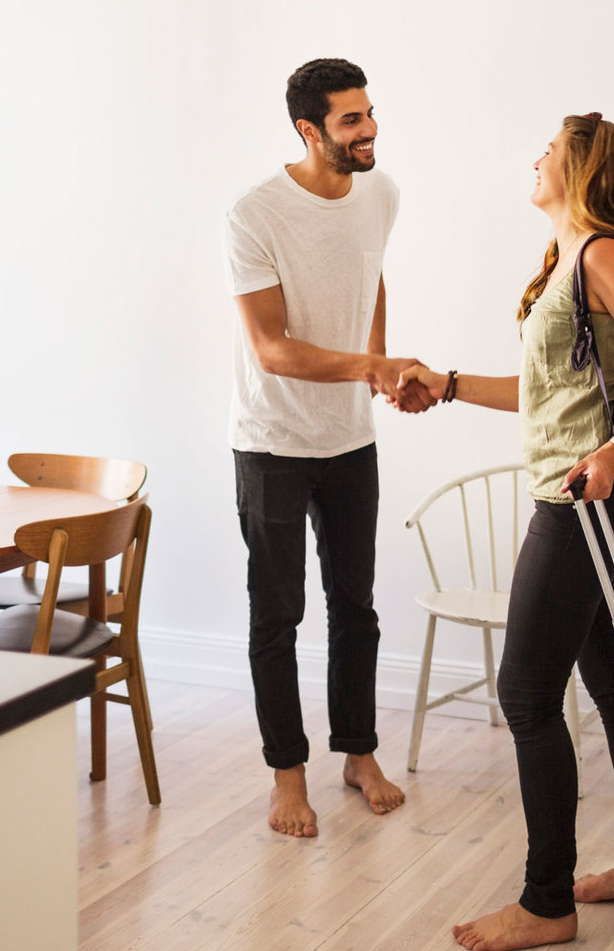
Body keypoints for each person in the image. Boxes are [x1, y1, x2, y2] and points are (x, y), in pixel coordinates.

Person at [396, 113, 614, 951]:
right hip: (582, 496)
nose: (535, 158)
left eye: (550, 149)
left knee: (527, 694)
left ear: (584, 168)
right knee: (609, 683)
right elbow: (547, 394)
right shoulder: (570, 260)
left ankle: (546, 903)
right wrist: (448, 384)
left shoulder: (606, 255)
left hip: (586, 501)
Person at [226, 57, 427, 839]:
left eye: (369, 112)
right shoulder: (255, 215)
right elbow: (272, 348)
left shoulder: (381, 193)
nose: (369, 128)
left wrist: (375, 362)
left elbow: (370, 277)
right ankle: (287, 775)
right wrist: (370, 367)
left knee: (356, 609)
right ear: (310, 130)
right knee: (277, 616)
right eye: (351, 120)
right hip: (271, 442)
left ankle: (358, 755)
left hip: (349, 440)